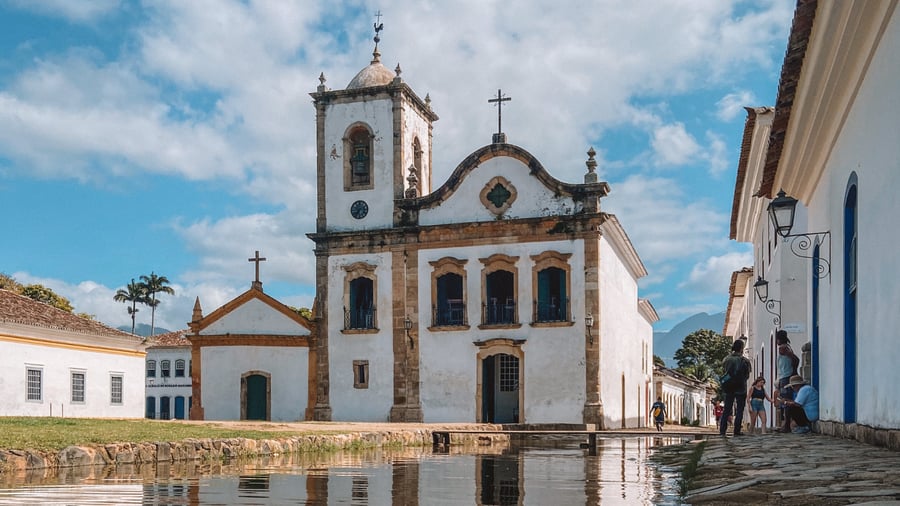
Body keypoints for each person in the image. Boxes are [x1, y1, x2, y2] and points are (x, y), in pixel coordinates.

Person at [719, 339, 751, 436]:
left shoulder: (726, 359)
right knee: (740, 409)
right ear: (741, 348)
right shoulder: (745, 361)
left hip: (728, 387)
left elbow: (724, 371)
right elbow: (747, 375)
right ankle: (737, 430)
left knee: (727, 409)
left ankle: (722, 430)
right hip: (741, 387)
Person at [774, 330, 799, 431]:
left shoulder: (783, 349)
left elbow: (796, 359)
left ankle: (787, 425)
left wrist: (793, 371)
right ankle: (785, 425)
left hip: (786, 377)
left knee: (785, 401)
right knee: (785, 400)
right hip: (784, 376)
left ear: (779, 339)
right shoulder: (785, 348)